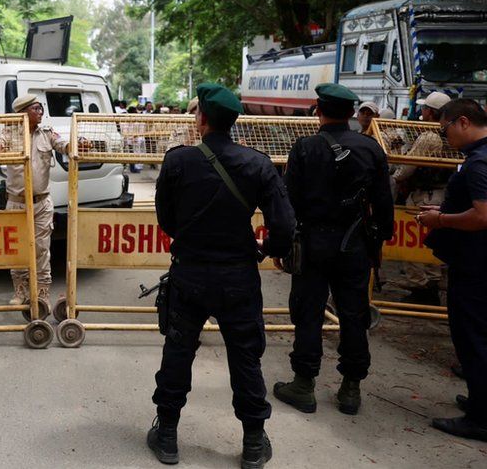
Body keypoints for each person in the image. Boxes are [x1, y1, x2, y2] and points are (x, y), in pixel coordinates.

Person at [149, 83, 294, 468]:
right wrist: (270, 250)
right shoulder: (258, 163)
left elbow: (166, 218)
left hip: (190, 274)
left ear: (202, 119)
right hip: (239, 278)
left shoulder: (178, 161)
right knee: (246, 358)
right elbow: (283, 223)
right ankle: (252, 442)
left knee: (178, 352)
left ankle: (167, 436)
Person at [275, 83, 394, 416]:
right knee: (353, 314)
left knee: (308, 312)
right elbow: (384, 203)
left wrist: (283, 244)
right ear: (352, 114)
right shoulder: (371, 148)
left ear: (318, 109)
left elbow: (289, 201)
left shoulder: (306, 148)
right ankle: (351, 389)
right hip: (355, 244)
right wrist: (380, 239)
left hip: (312, 245)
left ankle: (303, 384)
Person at [417, 98, 487, 442]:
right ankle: (480, 399)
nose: (445, 138)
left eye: (444, 130)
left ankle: (481, 417)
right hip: (475, 261)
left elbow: (482, 215)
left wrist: (440, 219)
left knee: (472, 335)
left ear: (462, 122)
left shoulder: (478, 163)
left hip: (476, 264)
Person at [0, 94, 83, 309]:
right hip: (16, 203)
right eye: (36, 109)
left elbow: (63, 144)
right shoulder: (9, 133)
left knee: (41, 248)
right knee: (17, 248)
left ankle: (41, 292)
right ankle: (20, 290)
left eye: (41, 109)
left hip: (41, 203)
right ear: (24, 112)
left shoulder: (47, 134)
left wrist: (76, 146)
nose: (40, 112)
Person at [389, 92, 451, 304]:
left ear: (431, 112)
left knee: (411, 243)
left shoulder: (429, 136)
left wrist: (396, 178)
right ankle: (431, 285)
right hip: (442, 195)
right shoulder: (449, 134)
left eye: (425, 109)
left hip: (423, 196)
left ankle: (421, 286)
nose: (422, 112)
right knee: (431, 245)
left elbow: (408, 167)